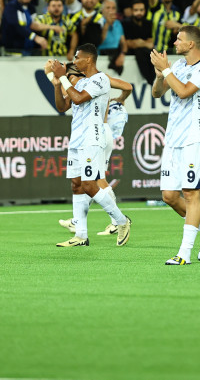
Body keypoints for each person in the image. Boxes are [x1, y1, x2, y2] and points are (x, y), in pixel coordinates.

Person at [150, 25, 200, 265]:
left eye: (179, 39)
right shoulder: (178, 66)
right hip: (172, 138)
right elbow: (157, 93)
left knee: (191, 194)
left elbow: (183, 92)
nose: (174, 42)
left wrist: (167, 69)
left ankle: (184, 253)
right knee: (169, 195)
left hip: (194, 137)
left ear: (191, 44)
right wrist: (161, 76)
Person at [50, 44, 132, 247]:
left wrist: (62, 77)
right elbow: (63, 106)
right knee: (76, 185)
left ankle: (121, 221)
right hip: (77, 139)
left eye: (77, 58)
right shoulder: (81, 82)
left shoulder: (100, 80)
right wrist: (55, 84)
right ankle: (81, 235)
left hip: (92, 138)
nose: (74, 61)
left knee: (89, 185)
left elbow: (78, 99)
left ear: (88, 60)